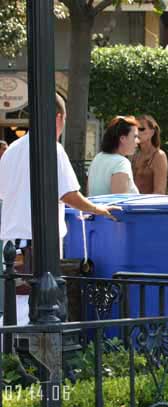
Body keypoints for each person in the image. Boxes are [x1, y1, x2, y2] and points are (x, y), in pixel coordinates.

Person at [0, 94, 119, 325]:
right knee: (38, 304)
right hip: (38, 241)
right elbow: (68, 194)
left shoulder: (14, 148)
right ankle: (31, 355)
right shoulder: (51, 148)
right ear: (58, 118)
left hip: (10, 241)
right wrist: (99, 209)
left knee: (15, 301)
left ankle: (10, 352)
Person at [88, 116, 140, 196]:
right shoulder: (121, 162)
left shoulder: (98, 157)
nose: (138, 141)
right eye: (135, 137)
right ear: (122, 138)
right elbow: (119, 203)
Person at [132, 115, 168, 194]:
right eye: (135, 129)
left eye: (141, 129)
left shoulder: (159, 156)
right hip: (134, 203)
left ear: (152, 132)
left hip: (149, 204)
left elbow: (160, 192)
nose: (137, 132)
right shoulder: (135, 155)